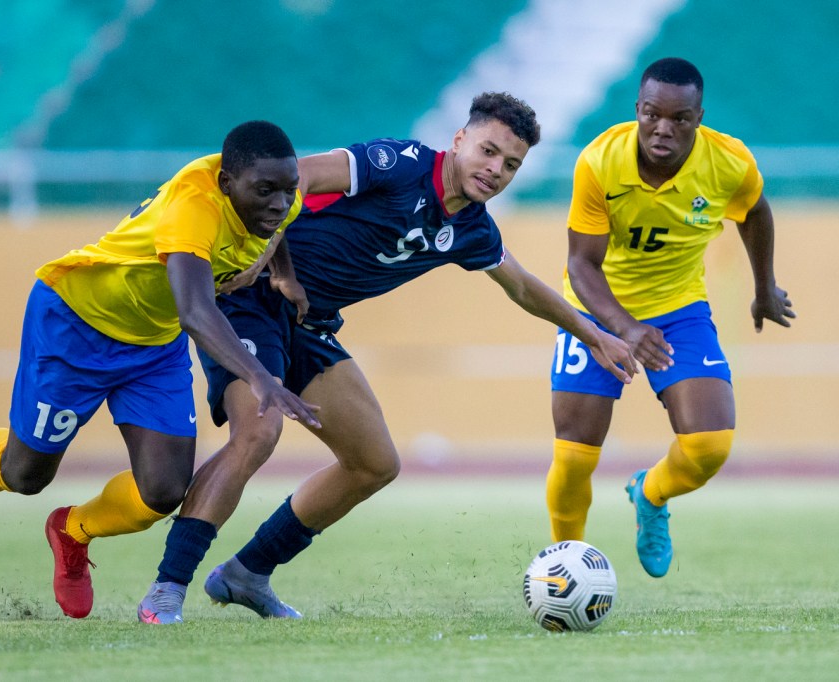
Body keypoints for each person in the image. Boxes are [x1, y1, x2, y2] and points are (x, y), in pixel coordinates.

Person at [136, 92, 638, 624]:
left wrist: (593, 334)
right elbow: (296, 177)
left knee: (374, 463)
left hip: (309, 325)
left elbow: (522, 286)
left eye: (511, 164)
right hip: (251, 303)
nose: (496, 169)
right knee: (258, 431)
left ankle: (247, 574)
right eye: (488, 151)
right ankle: (167, 588)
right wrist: (273, 260)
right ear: (460, 139)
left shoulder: (472, 229)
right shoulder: (398, 164)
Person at [0, 120, 322, 619]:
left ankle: (72, 530)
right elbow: (197, 313)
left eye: (287, 190)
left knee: (163, 491)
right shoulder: (192, 209)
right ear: (226, 183)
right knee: (25, 475)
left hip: (153, 347)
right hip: (77, 325)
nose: (280, 203)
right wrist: (260, 377)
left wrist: (284, 274)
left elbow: (277, 226)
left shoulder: (278, 196)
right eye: (265, 191)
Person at [545, 58, 795, 578]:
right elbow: (580, 264)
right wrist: (626, 329)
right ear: (638, 109)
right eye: (653, 114)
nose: (664, 128)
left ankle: (650, 493)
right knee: (574, 457)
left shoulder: (729, 163)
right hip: (595, 309)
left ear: (699, 116)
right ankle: (564, 566)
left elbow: (755, 212)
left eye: (680, 118)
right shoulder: (599, 162)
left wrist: (764, 287)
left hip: (679, 308)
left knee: (709, 446)